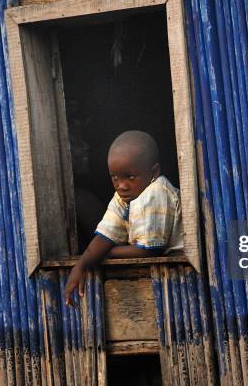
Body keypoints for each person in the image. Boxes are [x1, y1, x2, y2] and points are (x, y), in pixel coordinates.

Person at [64, 130, 183, 307]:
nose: (121, 185)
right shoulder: (124, 195)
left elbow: (147, 251)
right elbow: (106, 235)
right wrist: (80, 265)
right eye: (115, 178)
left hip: (178, 275)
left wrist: (102, 255)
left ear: (154, 172)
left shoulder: (156, 192)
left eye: (130, 177)